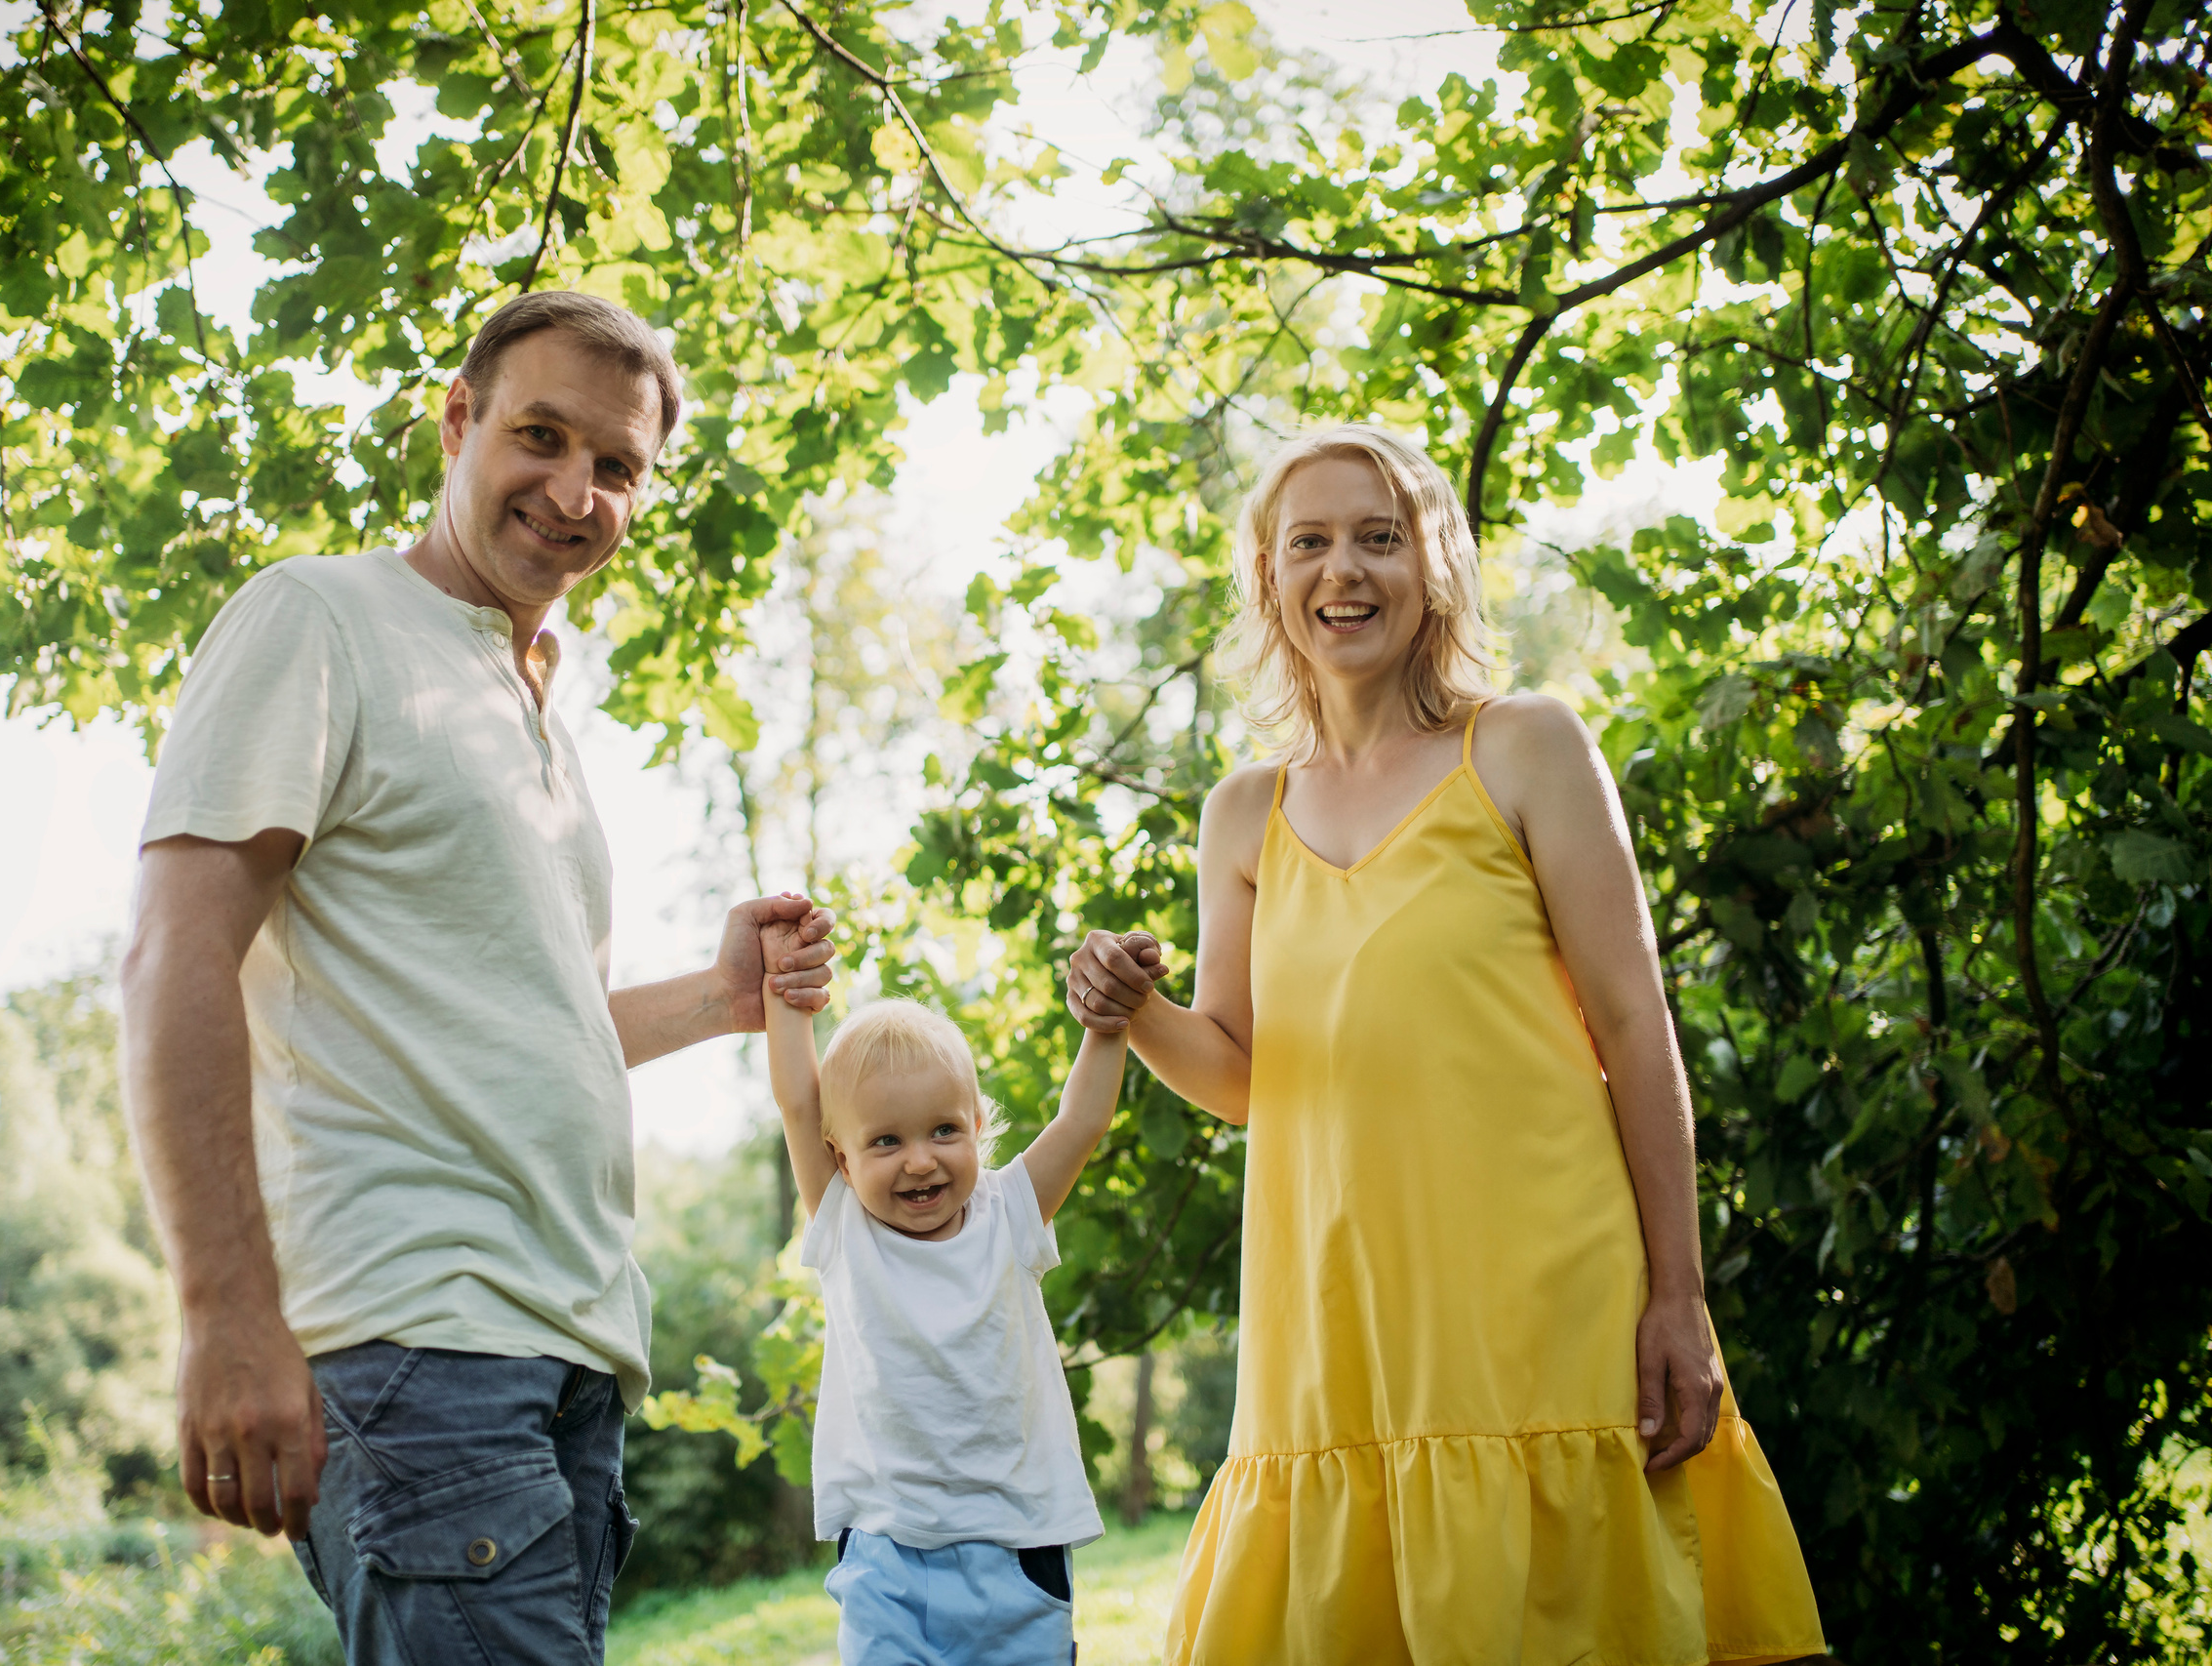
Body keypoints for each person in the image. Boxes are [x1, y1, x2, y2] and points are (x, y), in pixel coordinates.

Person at [119, 290, 838, 1666]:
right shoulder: (319, 618)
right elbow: (174, 951)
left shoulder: (526, 703)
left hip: (558, 1353)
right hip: (415, 1338)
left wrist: (721, 994)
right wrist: (223, 1312)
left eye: (616, 464)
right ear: (457, 423)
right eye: (540, 435)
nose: (574, 491)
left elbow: (530, 1025)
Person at [1066, 425, 1826, 1664]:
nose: (1343, 571)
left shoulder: (1524, 746)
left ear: (1435, 567)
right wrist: (1131, 1008)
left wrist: (1679, 1296)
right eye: (1308, 542)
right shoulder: (1243, 812)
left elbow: (1635, 1029)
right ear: (1268, 579)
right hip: (1335, 1327)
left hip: (1545, 1309)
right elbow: (1243, 1077)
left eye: (1380, 537)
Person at [760, 932, 1152, 1665]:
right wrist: (786, 988)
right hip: (888, 1556)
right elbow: (795, 1098)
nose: (919, 1159)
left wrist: (1107, 1023)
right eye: (885, 1141)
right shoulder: (845, 1225)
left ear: (977, 1126)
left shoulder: (1012, 1211)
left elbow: (1082, 1120)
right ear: (840, 1156)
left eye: (944, 1129)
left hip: (1017, 1544)